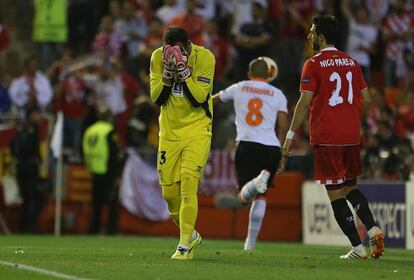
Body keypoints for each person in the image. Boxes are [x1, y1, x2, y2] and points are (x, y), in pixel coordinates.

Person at [280, 15, 384, 259]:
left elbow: (304, 103)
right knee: (349, 187)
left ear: (321, 37)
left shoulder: (313, 64)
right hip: (351, 135)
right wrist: (354, 120)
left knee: (335, 193)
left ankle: (358, 248)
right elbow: (367, 99)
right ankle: (373, 228)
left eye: (312, 32)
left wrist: (289, 136)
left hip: (327, 136)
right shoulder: (352, 62)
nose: (309, 36)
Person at [149, 26, 215, 260]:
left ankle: (184, 246)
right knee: (169, 194)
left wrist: (184, 71)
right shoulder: (158, 57)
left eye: (180, 51)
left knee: (189, 184)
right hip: (168, 132)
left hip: (197, 129)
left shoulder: (205, 57)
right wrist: (168, 75)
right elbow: (157, 98)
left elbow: (198, 99)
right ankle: (191, 234)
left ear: (187, 46)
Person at [213, 57, 288, 251]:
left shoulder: (240, 86)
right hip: (271, 147)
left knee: (243, 198)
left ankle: (255, 183)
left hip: (247, 145)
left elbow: (214, 100)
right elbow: (283, 125)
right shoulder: (278, 93)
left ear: (249, 74)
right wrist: (281, 152)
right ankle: (250, 244)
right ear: (269, 75)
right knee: (261, 197)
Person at [82, 107, 121, 235]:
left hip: (94, 170)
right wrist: (116, 175)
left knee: (96, 204)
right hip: (107, 170)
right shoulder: (109, 131)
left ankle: (94, 229)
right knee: (113, 203)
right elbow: (114, 154)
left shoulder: (90, 130)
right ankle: (111, 230)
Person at [10, 106, 42, 233]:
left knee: (28, 198)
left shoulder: (25, 128)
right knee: (31, 197)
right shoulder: (29, 129)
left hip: (24, 166)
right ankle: (29, 227)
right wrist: (28, 159)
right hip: (28, 167)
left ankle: (25, 226)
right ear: (30, 115)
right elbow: (20, 147)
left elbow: (13, 146)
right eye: (37, 114)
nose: (39, 117)